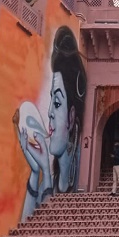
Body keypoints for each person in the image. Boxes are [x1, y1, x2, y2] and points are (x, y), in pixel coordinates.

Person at [18, 27, 87, 221]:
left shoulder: (72, 172)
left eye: (56, 103)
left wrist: (45, 174)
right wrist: (37, 171)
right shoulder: (52, 178)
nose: (48, 113)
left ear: (72, 116)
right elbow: (24, 235)